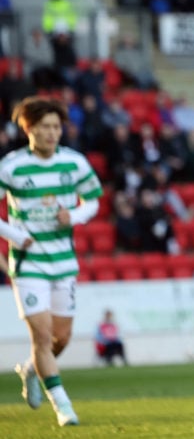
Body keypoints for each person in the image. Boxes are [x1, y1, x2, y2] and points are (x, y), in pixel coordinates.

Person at [0, 96, 103, 426]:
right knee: (42, 338)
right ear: (29, 129)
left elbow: (94, 202)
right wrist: (15, 236)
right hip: (29, 263)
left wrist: (73, 215)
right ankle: (63, 406)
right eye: (44, 127)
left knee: (62, 338)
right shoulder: (12, 166)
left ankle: (32, 368)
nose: (51, 133)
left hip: (63, 262)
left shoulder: (75, 163)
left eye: (56, 127)